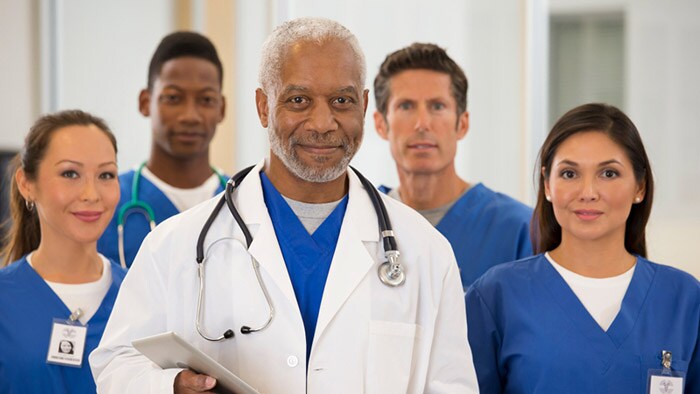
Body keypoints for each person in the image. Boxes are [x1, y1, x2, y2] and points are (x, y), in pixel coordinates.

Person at [90, 17, 478, 393]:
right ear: (263, 106)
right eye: (298, 100)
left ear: (362, 105)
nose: (323, 123)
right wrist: (169, 387)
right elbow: (116, 364)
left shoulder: (425, 252)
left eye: (341, 100)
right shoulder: (175, 245)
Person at [466, 103, 699, 393]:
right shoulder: (495, 296)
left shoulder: (684, 301)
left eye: (609, 174)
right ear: (547, 184)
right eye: (569, 174)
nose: (588, 193)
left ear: (640, 187)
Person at [373, 43, 533, 288]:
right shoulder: (359, 223)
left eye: (437, 106)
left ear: (463, 124)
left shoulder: (518, 230)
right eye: (406, 106)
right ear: (381, 124)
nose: (422, 124)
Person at [0, 110, 126, 393]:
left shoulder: (142, 294)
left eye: (106, 175)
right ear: (26, 184)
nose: (91, 194)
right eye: (70, 173)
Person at [97, 31, 228, 269]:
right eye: (173, 98)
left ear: (222, 108)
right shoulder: (106, 200)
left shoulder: (243, 201)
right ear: (145, 102)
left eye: (206, 100)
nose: (190, 116)